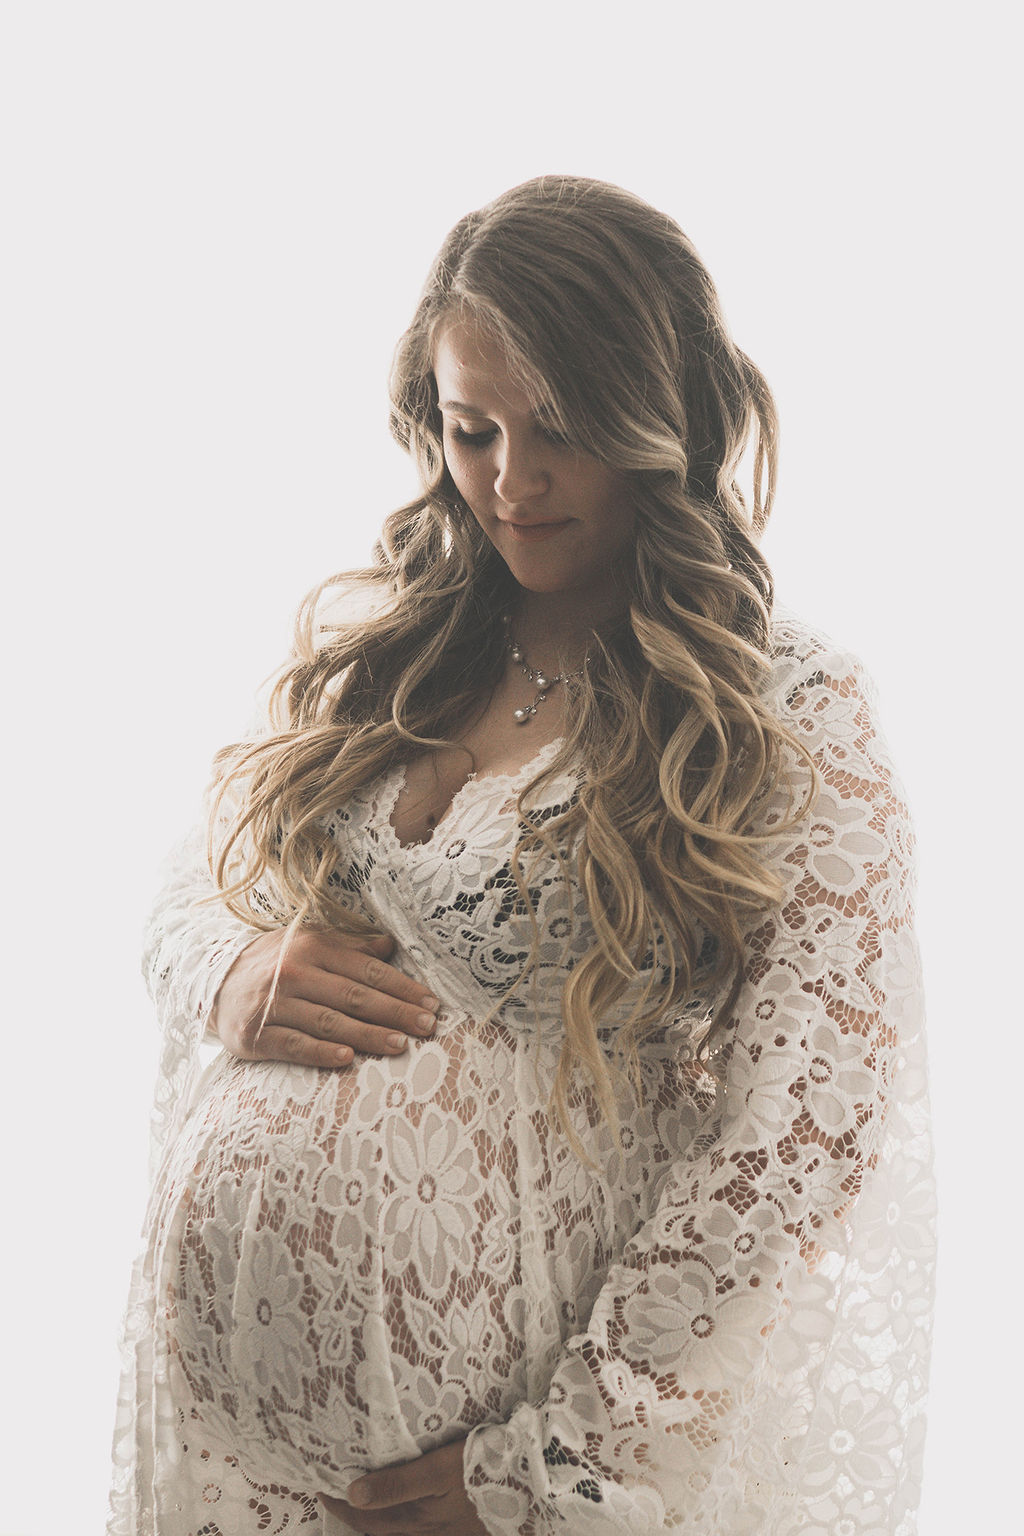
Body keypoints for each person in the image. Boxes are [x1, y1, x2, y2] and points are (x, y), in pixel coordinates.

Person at [108, 175, 935, 1535]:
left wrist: (557, 1464)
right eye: (472, 427)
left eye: (558, 431)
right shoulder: (396, 648)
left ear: (654, 419)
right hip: (229, 1458)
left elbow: (810, 1125)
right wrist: (232, 964)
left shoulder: (785, 708)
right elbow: (195, 869)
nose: (511, 481)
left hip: (497, 1477)